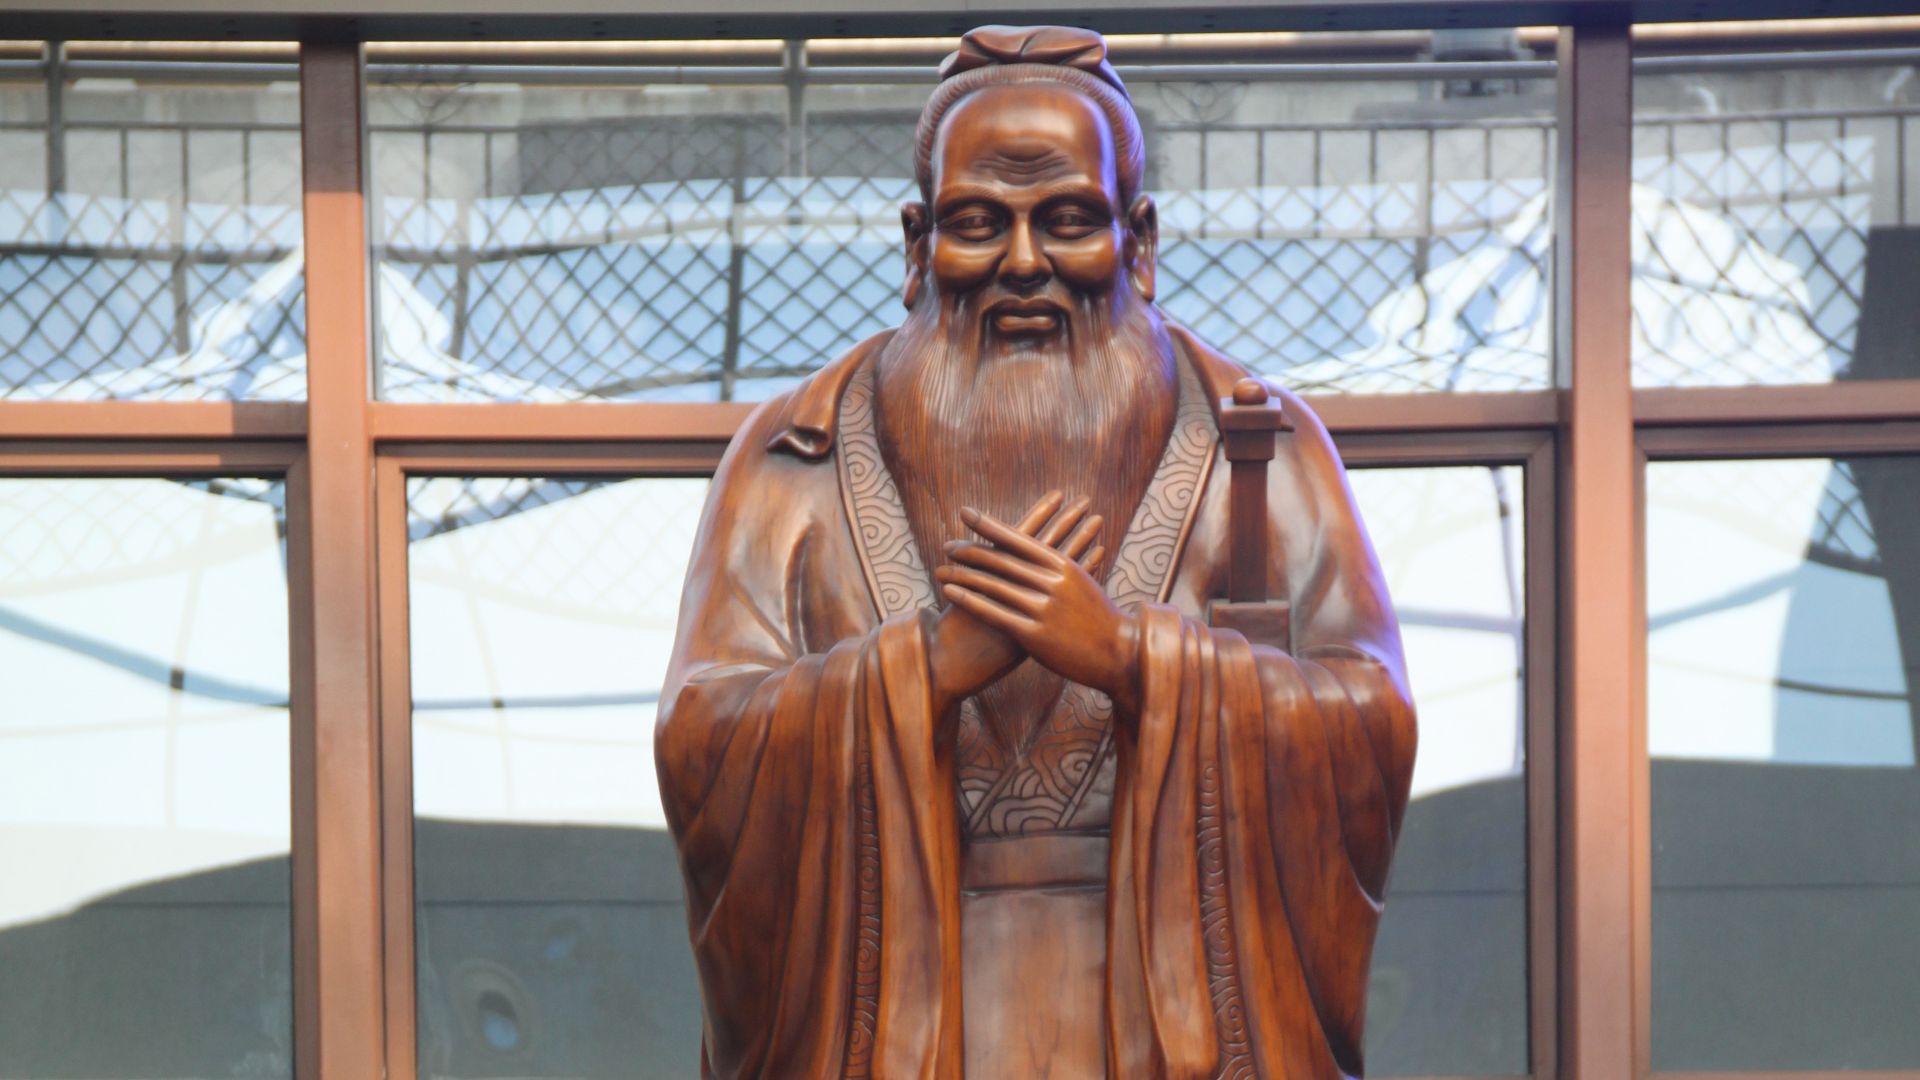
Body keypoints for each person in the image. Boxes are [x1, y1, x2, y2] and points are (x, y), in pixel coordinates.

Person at [657, 24, 1415, 1078]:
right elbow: (703, 741)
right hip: (895, 1029)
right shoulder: (794, 456)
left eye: (1066, 220)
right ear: (918, 245)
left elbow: (1369, 721)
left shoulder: (1259, 444)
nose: (1022, 263)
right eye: (978, 223)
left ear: (1137, 240)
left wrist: (1132, 659)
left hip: (1160, 1027)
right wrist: (923, 671)